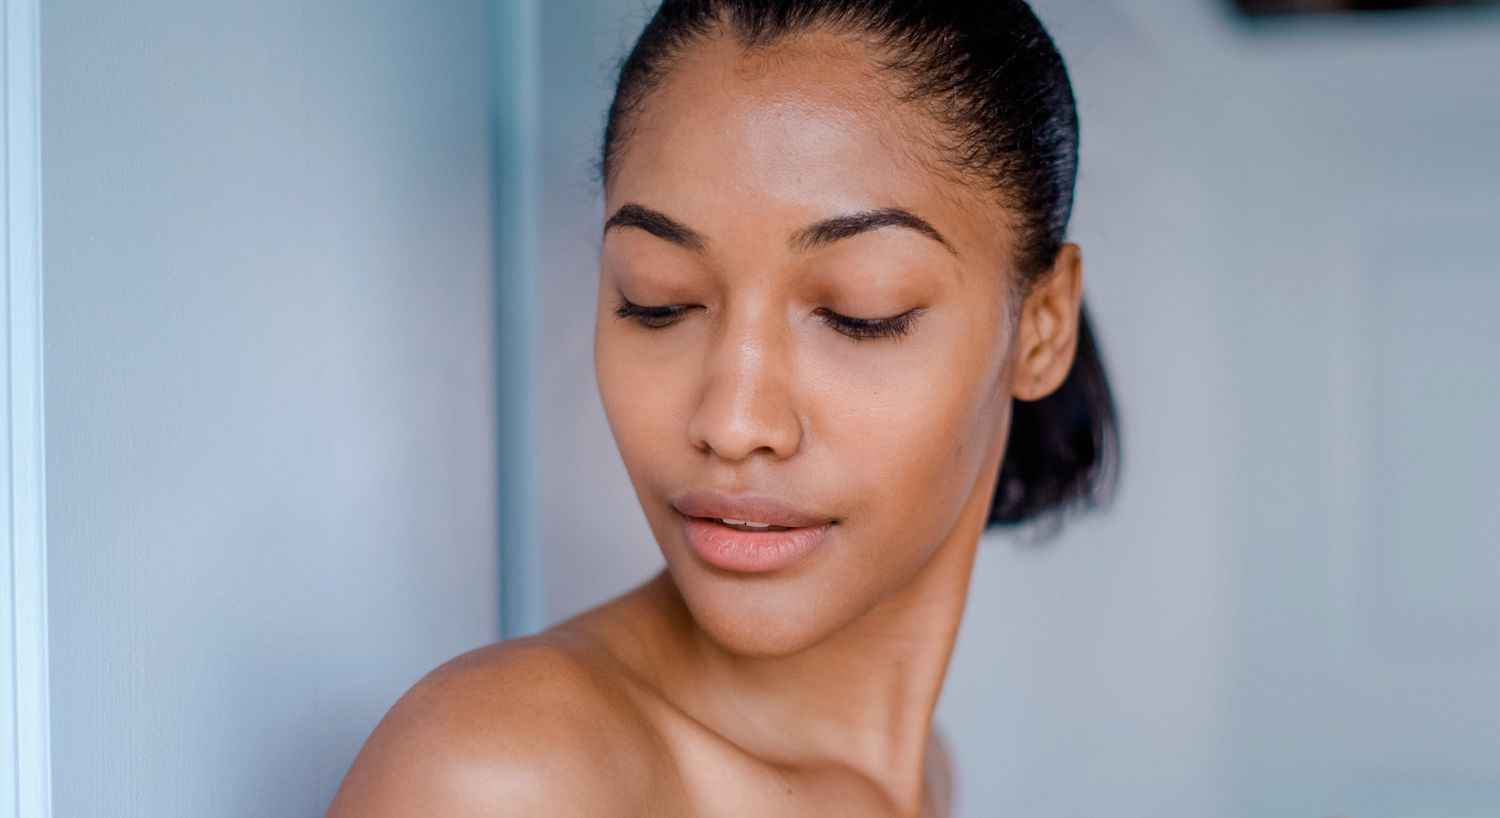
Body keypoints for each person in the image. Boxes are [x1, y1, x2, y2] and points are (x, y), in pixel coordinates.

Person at [327, 1, 1118, 815]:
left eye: (859, 313)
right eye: (657, 301)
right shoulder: (506, 778)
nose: (733, 424)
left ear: (1042, 328)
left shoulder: (920, 780)